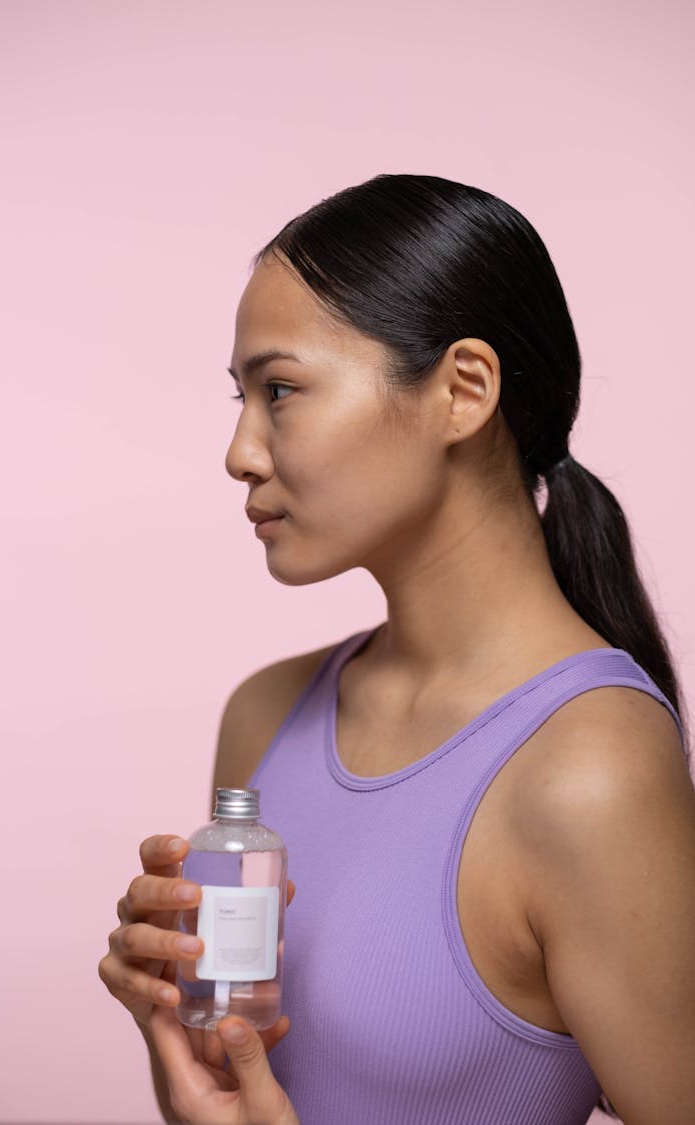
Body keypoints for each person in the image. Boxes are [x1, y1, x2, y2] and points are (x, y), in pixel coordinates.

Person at [99, 174, 695, 1124]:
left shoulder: (593, 769)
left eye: (280, 389)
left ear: (464, 390)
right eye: (241, 396)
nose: (239, 451)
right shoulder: (264, 715)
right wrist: (178, 1036)